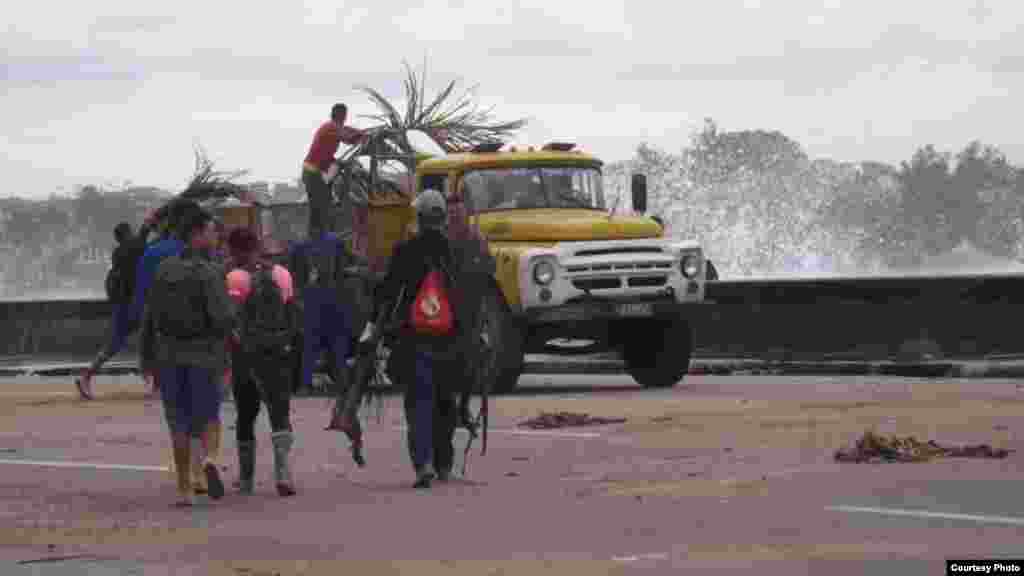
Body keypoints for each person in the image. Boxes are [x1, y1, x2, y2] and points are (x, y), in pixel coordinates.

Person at [359, 189, 462, 489]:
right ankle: (444, 466)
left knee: (419, 403)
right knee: (445, 403)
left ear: (419, 217)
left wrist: (371, 327)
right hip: (449, 340)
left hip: (414, 339)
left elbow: (387, 292)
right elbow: (467, 296)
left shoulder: (406, 250)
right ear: (442, 217)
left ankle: (423, 465)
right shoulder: (453, 250)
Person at [140, 207, 234, 507]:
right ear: (196, 235)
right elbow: (221, 319)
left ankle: (183, 487)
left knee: (177, 422)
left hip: (168, 355)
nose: (216, 236)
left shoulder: (163, 270)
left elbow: (150, 317)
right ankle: (209, 459)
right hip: (205, 356)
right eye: (211, 231)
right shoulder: (210, 272)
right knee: (208, 415)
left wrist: (147, 358)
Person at [224, 228, 299, 496]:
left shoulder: (234, 278)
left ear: (233, 251)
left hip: (246, 357)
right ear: (256, 246)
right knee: (280, 414)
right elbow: (292, 315)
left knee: (246, 416)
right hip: (278, 353)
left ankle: (246, 480)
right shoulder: (282, 274)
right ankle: (283, 473)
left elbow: (230, 321)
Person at [77, 215, 157, 399]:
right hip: (133, 306)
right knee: (146, 343)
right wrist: (152, 220)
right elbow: (142, 237)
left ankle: (150, 382)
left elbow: (141, 239)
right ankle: (87, 377)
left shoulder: (119, 253)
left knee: (121, 345)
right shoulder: (133, 247)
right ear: (127, 234)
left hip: (124, 305)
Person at [288, 230, 354, 394]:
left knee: (312, 345)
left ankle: (306, 384)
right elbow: (346, 266)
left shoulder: (302, 244)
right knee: (335, 343)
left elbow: (294, 272)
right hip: (330, 301)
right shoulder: (334, 242)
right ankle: (341, 382)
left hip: (316, 300)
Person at [302, 103, 367, 240]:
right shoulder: (331, 127)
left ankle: (318, 236)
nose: (345, 118)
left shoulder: (332, 127)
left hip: (314, 172)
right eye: (345, 115)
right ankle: (318, 238)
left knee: (321, 204)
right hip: (313, 173)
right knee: (321, 206)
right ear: (342, 115)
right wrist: (363, 136)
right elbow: (349, 138)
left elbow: (347, 130)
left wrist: (363, 133)